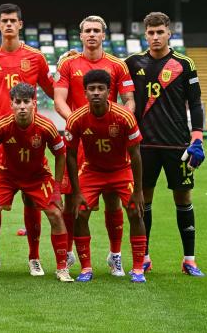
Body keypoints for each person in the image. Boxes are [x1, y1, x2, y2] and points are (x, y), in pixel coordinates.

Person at [0, 3, 54, 276]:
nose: (8, 25)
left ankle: (34, 257)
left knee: (32, 200)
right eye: (4, 20)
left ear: (20, 24)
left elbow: (53, 89)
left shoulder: (36, 58)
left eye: (12, 20)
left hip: (31, 141)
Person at [125, 12, 206, 276]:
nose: (156, 37)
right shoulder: (132, 62)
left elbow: (195, 103)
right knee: (142, 200)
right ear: (145, 34)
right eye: (151, 32)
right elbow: (104, 69)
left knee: (183, 198)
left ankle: (189, 259)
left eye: (160, 32)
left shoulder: (184, 64)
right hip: (143, 146)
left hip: (177, 145)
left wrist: (197, 138)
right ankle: (144, 257)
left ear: (169, 32)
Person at [53, 15, 136, 276]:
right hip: (79, 138)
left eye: (96, 30)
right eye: (87, 30)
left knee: (113, 200)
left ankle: (115, 256)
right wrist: (80, 123)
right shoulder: (68, 64)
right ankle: (67, 255)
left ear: (104, 35)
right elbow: (59, 100)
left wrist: (120, 123)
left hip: (110, 140)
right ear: (80, 36)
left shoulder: (118, 65)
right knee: (72, 202)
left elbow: (129, 100)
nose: (91, 34)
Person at [0, 83, 72, 283]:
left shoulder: (46, 126)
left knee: (55, 213)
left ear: (34, 104)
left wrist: (56, 190)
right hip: (8, 174)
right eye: (17, 102)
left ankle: (60, 268)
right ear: (11, 104)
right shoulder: (1, 125)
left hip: (37, 175)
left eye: (26, 102)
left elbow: (60, 155)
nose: (22, 106)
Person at [64, 69, 147, 283]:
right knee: (79, 212)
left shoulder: (124, 116)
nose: (96, 93)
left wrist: (138, 191)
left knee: (135, 212)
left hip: (121, 169)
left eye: (101, 88)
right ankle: (86, 267)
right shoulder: (77, 118)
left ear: (109, 92)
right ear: (85, 93)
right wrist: (76, 191)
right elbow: (71, 156)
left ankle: (137, 268)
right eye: (91, 89)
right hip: (92, 171)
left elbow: (136, 154)